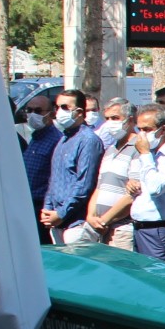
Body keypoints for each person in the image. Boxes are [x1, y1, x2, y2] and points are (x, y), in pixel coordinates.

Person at [126, 103, 165, 263]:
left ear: (163, 129)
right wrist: (132, 183)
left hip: (159, 228)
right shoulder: (147, 152)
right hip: (139, 226)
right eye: (139, 129)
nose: (142, 135)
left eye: (147, 130)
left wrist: (145, 153)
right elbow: (138, 176)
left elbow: (156, 187)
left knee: (161, 279)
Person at [40, 90, 102, 243]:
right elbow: (54, 179)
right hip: (56, 222)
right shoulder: (63, 140)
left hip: (76, 224)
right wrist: (48, 210)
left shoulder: (88, 140)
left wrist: (61, 213)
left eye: (65, 107)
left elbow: (84, 185)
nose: (59, 111)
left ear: (79, 111)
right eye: (57, 107)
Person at [82, 98, 137, 249]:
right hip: (99, 228)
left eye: (115, 118)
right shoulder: (110, 150)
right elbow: (100, 187)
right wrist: (91, 216)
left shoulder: (138, 148)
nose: (110, 123)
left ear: (130, 120)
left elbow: (132, 195)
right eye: (107, 118)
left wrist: (105, 220)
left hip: (121, 231)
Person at [18, 89, 59, 234]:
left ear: (51, 114)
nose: (32, 114)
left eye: (38, 110)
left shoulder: (56, 140)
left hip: (41, 206)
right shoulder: (35, 138)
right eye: (29, 110)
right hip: (26, 204)